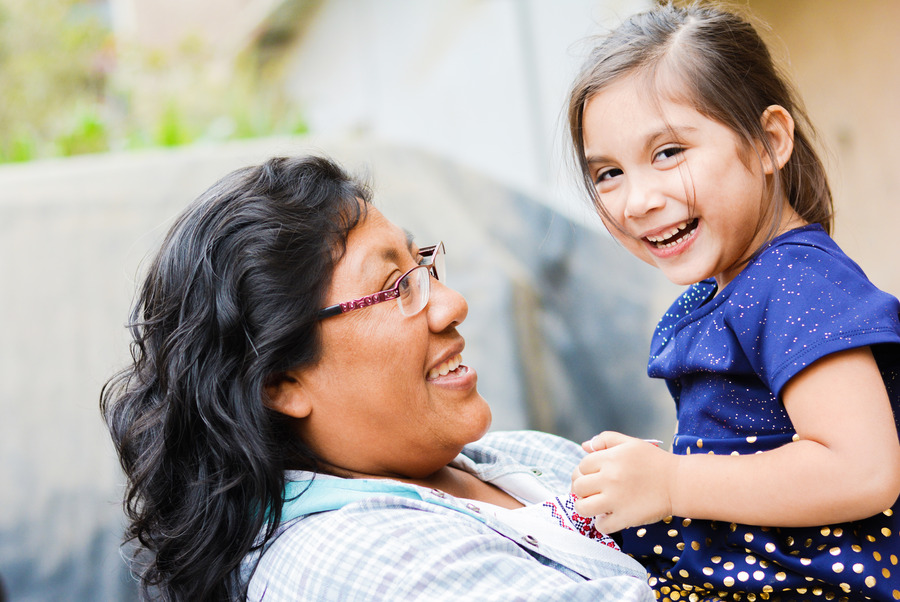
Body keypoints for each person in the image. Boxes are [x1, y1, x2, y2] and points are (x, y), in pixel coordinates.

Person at [100, 154, 653, 601]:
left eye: (422, 267)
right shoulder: (351, 562)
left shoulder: (514, 458)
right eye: (395, 287)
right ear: (280, 382)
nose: (452, 305)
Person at [565, 3, 900, 601]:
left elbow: (862, 469)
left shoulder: (795, 279)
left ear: (770, 141)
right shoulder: (733, 288)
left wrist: (672, 480)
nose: (636, 200)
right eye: (609, 173)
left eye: (668, 152)